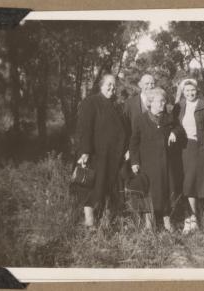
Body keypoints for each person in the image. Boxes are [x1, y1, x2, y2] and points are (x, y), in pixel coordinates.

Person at [76, 74, 128, 227]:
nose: (112, 88)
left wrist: (125, 149)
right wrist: (85, 151)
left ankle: (107, 219)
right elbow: (85, 128)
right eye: (109, 84)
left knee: (108, 185)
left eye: (114, 85)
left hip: (113, 155)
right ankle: (89, 221)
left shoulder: (116, 105)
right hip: (96, 154)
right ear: (101, 85)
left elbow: (122, 129)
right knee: (92, 185)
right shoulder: (91, 102)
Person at [129, 87, 181, 232]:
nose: (162, 104)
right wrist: (134, 162)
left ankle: (167, 221)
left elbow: (179, 128)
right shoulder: (141, 119)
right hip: (148, 163)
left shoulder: (169, 118)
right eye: (159, 101)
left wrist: (174, 132)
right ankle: (149, 223)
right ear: (150, 102)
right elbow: (134, 143)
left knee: (167, 190)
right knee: (149, 192)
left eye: (164, 101)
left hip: (165, 163)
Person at [174, 78, 204, 234]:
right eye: (186, 91)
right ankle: (191, 219)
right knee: (186, 184)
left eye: (192, 90)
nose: (190, 93)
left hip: (198, 148)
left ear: (197, 90)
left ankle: (191, 219)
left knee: (191, 183)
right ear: (183, 92)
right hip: (181, 149)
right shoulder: (178, 106)